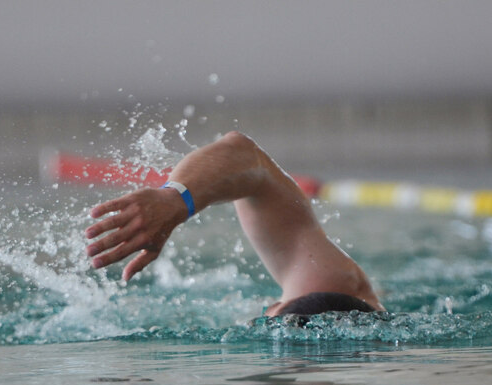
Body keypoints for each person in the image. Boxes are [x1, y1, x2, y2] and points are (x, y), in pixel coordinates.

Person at [85, 131, 384, 317]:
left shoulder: (324, 296)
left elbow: (243, 153)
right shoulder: (328, 286)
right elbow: (243, 154)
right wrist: (175, 199)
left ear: (273, 309)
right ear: (275, 309)